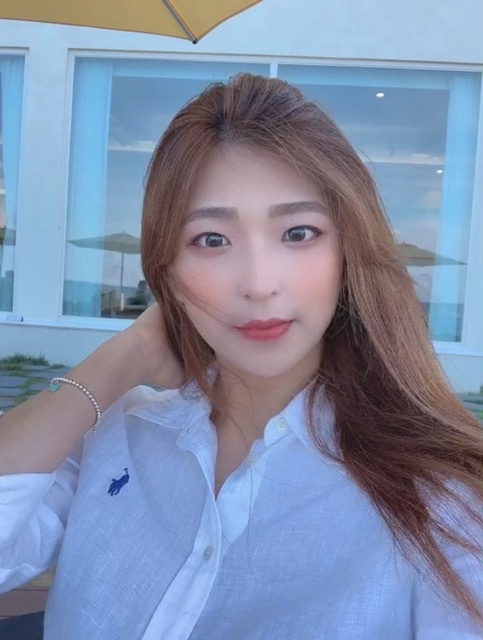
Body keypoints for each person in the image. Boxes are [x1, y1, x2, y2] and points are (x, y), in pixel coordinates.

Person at [0, 74, 482, 640]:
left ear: (348, 252)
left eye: (298, 233)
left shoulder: (441, 502)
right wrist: (121, 358)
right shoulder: (120, 433)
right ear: (166, 271)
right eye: (211, 239)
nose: (258, 284)